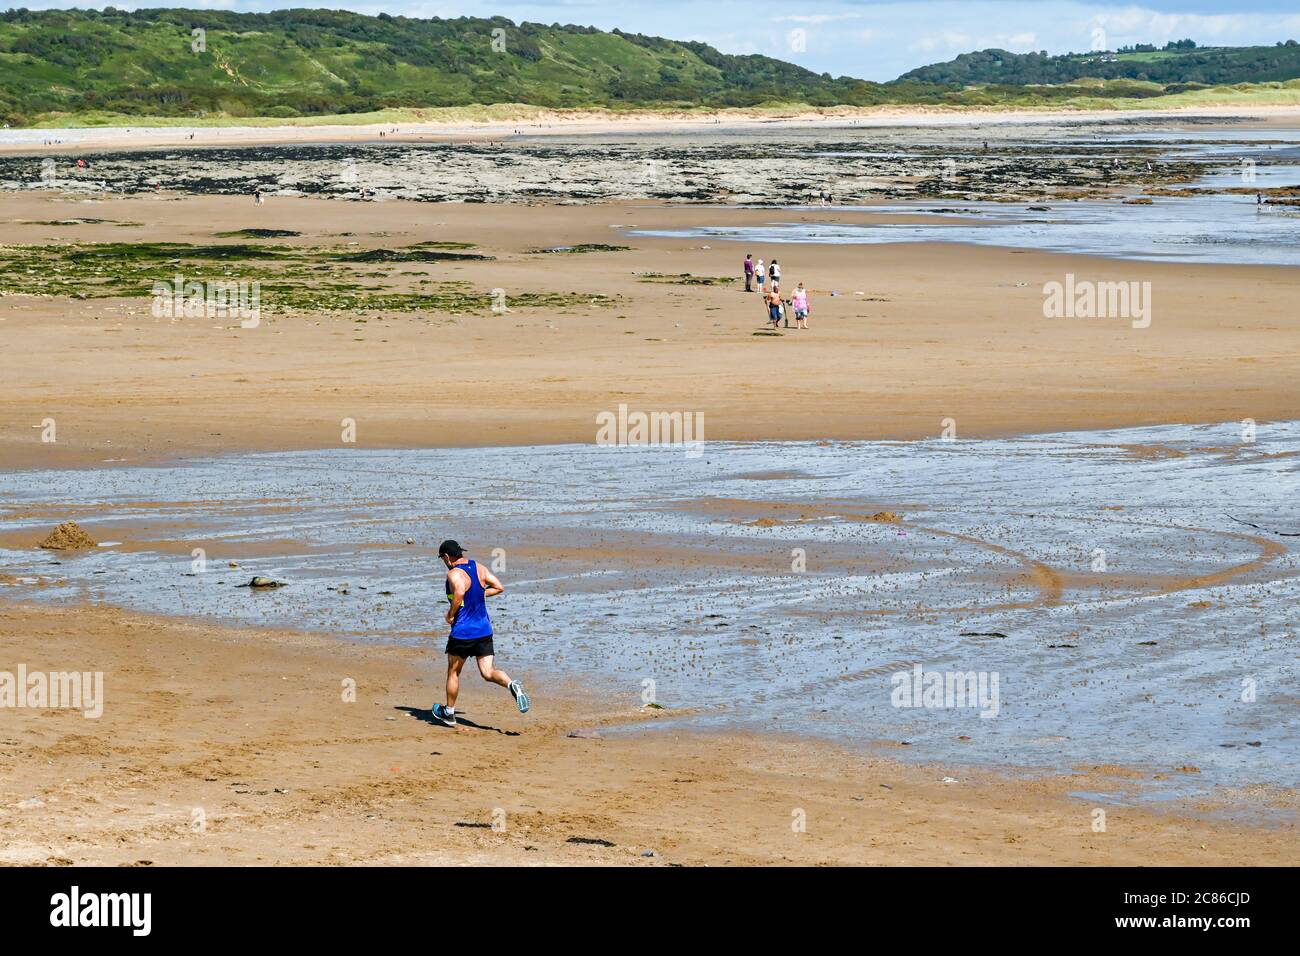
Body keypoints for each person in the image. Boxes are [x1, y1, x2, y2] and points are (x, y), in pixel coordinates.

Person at [431, 540, 529, 726]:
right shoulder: (479, 567)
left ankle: (449, 713)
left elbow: (459, 592)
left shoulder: (454, 573)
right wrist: (478, 594)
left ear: (446, 557)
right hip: (484, 630)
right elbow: (499, 587)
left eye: (442, 558)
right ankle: (511, 684)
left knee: (453, 672)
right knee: (488, 672)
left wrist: (450, 615)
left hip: (463, 633)